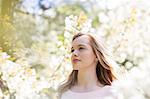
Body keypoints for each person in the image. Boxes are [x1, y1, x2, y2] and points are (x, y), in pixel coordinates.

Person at [58, 33, 119, 99]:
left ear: (96, 56)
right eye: (72, 50)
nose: (74, 53)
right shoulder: (63, 91)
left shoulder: (111, 93)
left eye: (81, 48)